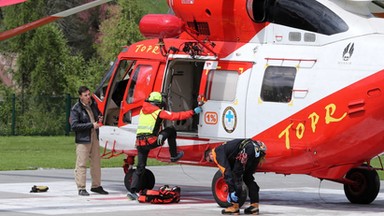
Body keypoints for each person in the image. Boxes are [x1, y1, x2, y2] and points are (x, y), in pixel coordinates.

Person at [127, 91, 203, 200]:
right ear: (158, 103)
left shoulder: (142, 111)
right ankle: (173, 155)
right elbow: (175, 116)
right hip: (151, 141)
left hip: (139, 143)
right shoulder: (158, 112)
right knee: (171, 130)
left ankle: (132, 191)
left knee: (140, 167)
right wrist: (193, 112)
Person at [205, 139, 267, 215]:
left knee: (236, 177)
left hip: (248, 149)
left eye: (211, 160)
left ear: (211, 154)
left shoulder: (217, 153)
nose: (213, 162)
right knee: (247, 177)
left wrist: (232, 191)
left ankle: (234, 207)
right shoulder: (225, 149)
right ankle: (254, 206)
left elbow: (226, 172)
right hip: (257, 149)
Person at [70, 86, 108, 196]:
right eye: (85, 95)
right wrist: (91, 125)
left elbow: (98, 115)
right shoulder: (76, 109)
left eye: (88, 94)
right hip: (83, 139)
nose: (88, 97)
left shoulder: (93, 105)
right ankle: (81, 187)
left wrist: (99, 118)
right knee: (81, 163)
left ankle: (96, 186)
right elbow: (74, 125)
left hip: (94, 137)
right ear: (80, 96)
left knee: (96, 163)